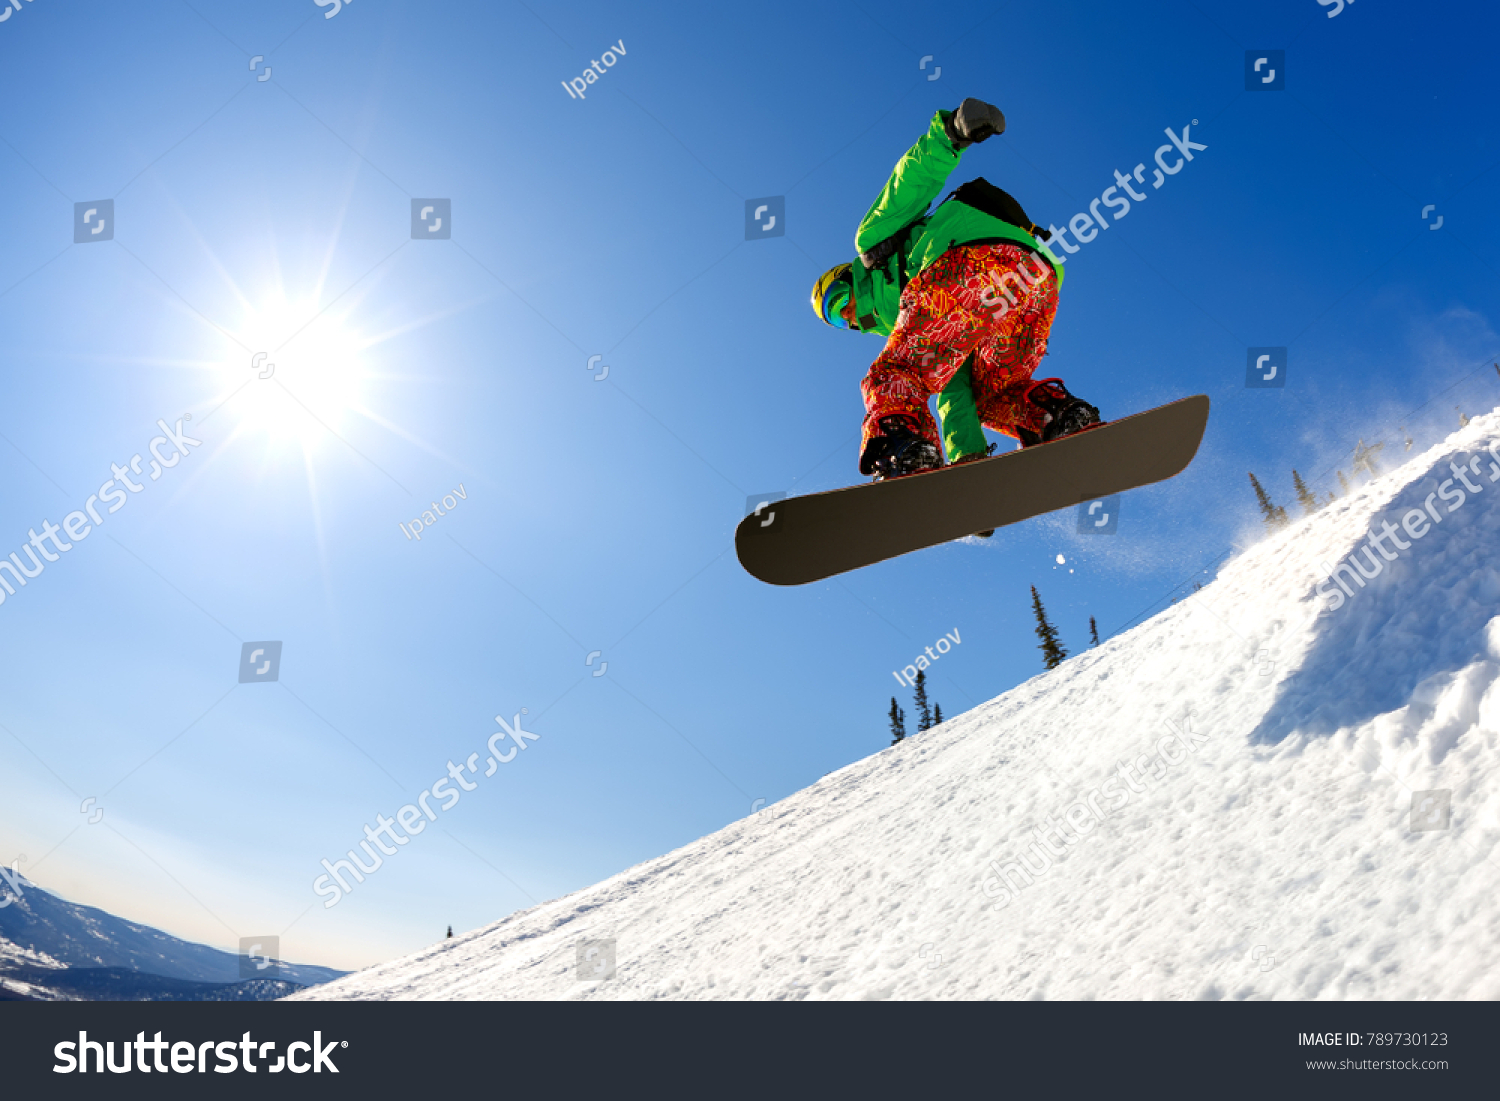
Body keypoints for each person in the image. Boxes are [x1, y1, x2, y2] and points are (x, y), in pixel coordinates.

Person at [811, 98, 1101, 483]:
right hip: (1033, 280)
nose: (845, 315)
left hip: (974, 263)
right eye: (834, 319)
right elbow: (955, 389)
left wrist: (951, 132)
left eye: (838, 301)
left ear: (846, 278)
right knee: (992, 396)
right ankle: (1062, 418)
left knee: (895, 375)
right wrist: (968, 469)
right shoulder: (921, 328)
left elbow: (907, 184)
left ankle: (904, 449)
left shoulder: (871, 250)